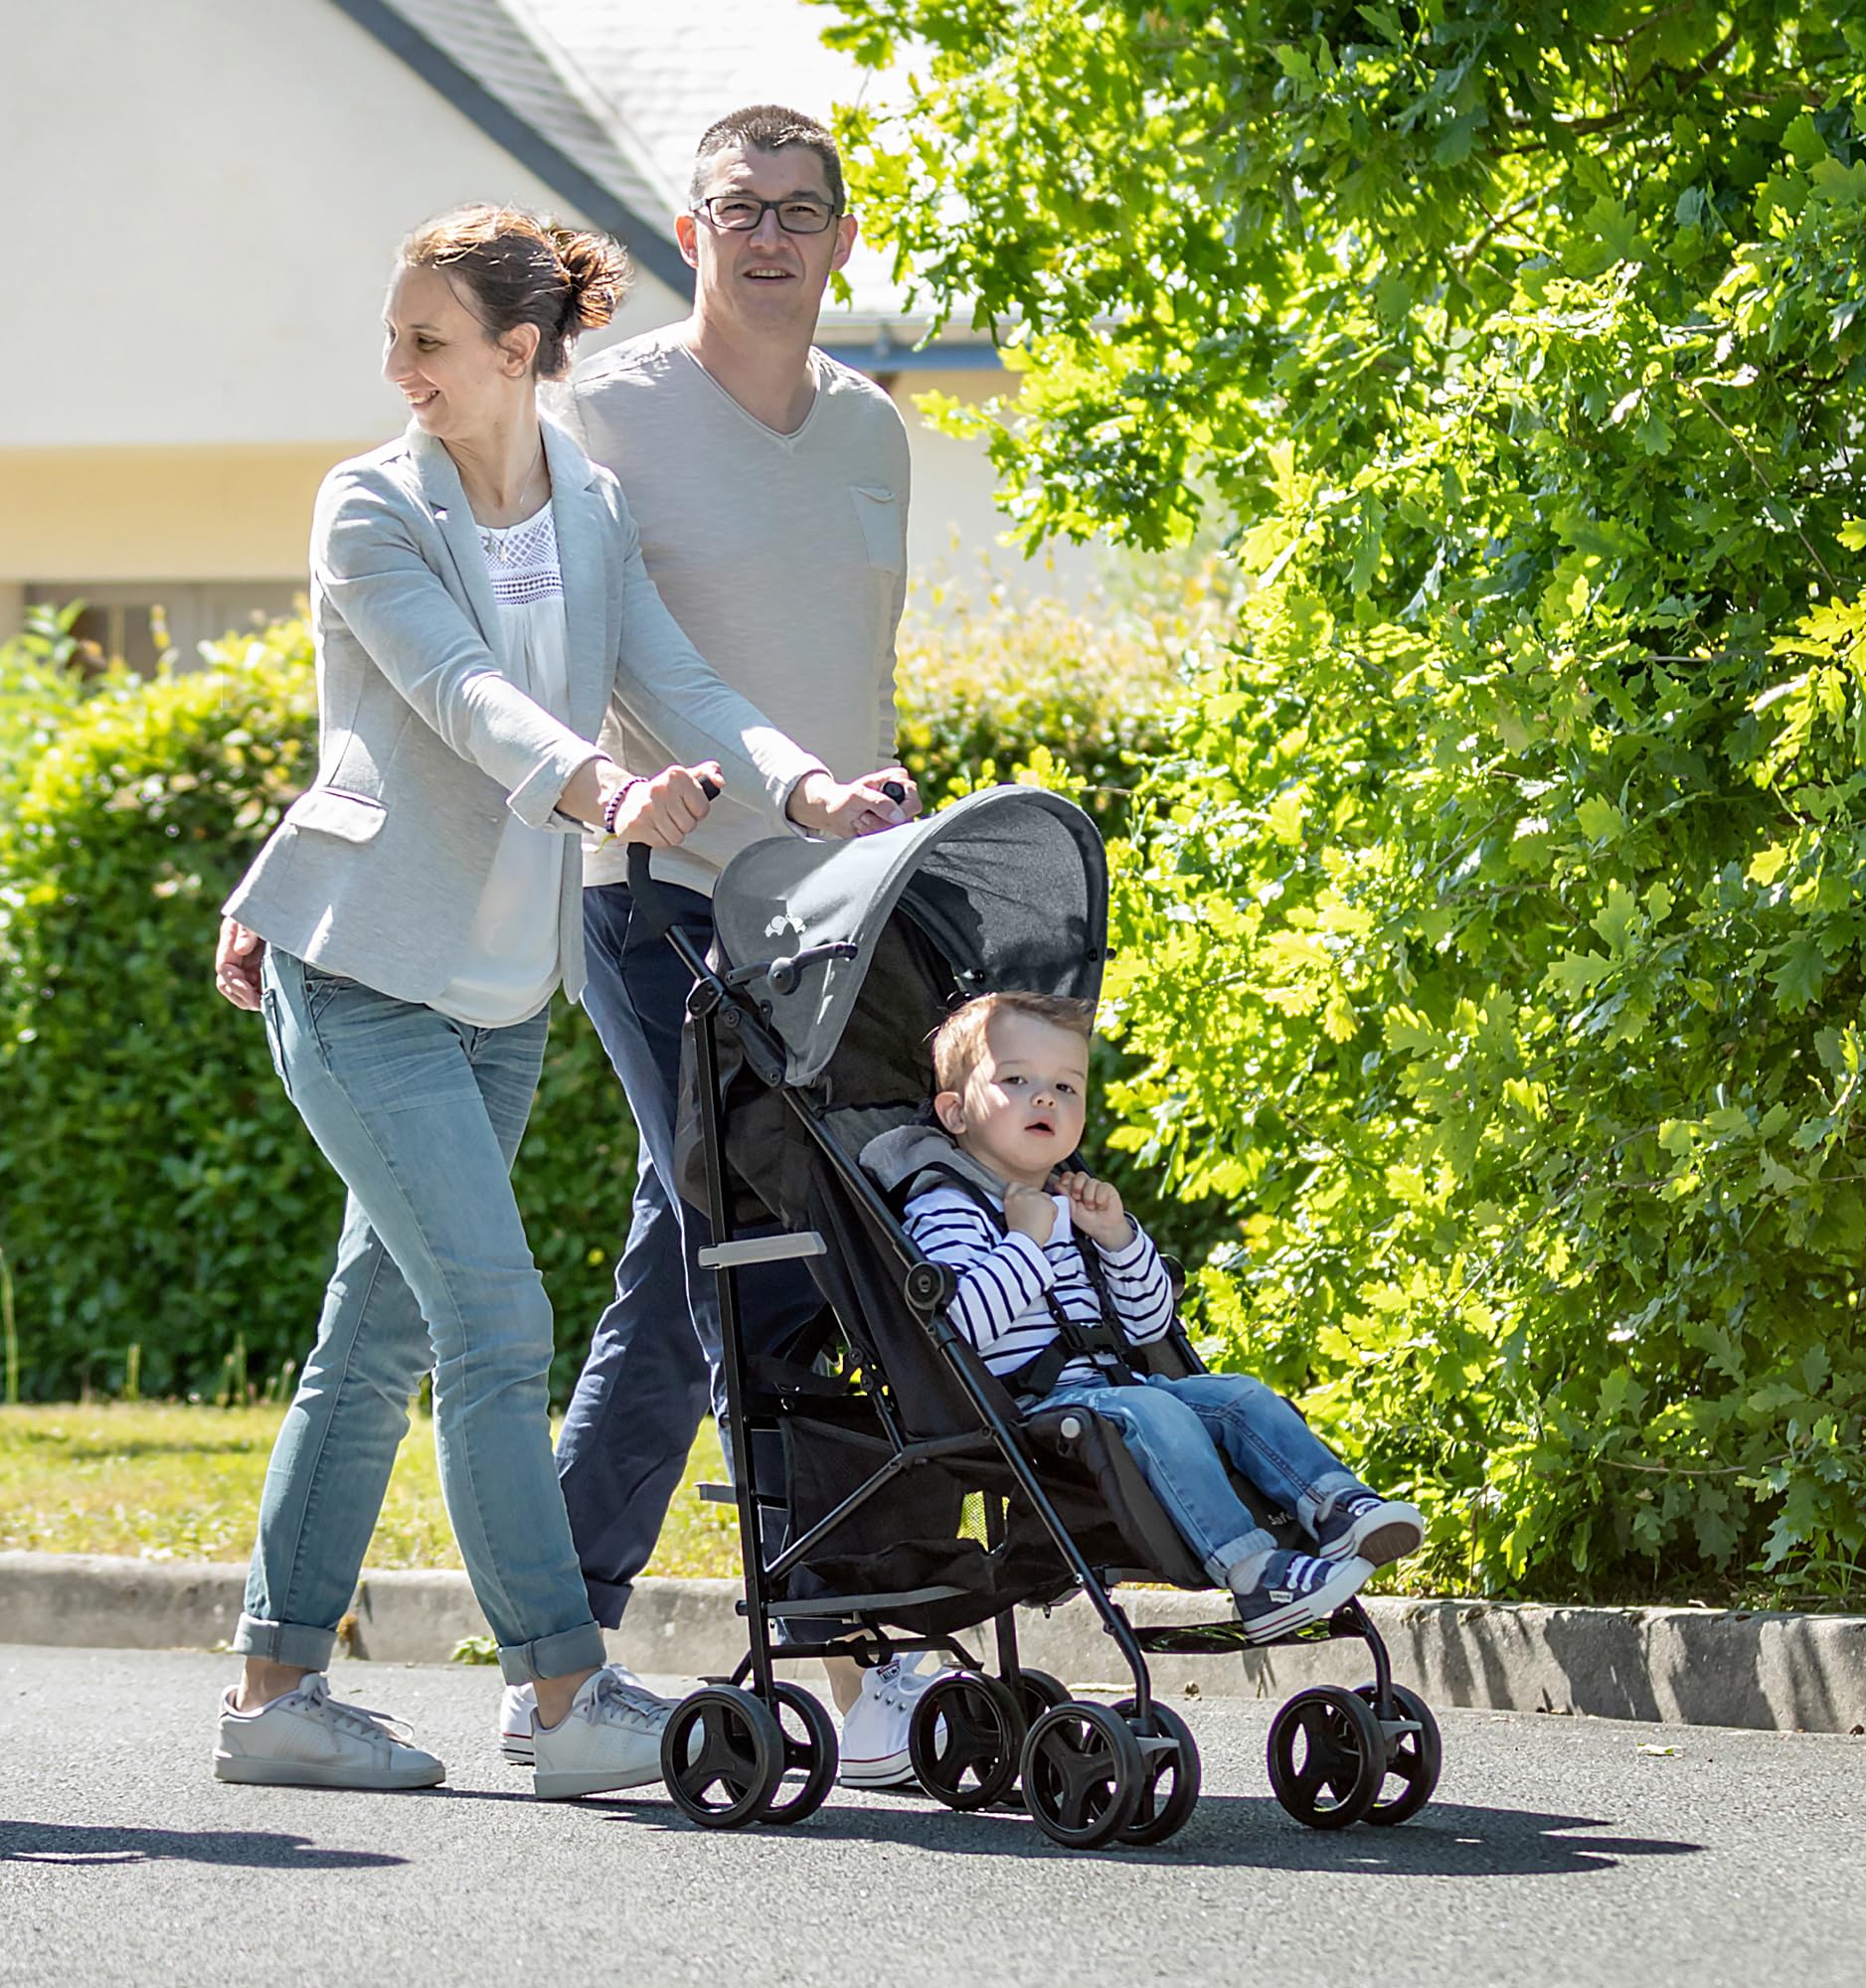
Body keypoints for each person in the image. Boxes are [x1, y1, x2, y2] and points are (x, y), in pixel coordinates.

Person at [209, 202, 898, 1800]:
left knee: (374, 1336)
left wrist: (803, 792)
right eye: (395, 338)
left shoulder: (585, 500)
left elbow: (681, 674)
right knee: (496, 1317)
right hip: (360, 964)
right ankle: (564, 1687)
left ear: (520, 354)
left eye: (427, 341)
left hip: (502, 986)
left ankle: (273, 1696)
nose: (397, 369)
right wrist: (603, 788)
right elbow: (463, 696)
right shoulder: (368, 506)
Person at [513, 103, 933, 1785]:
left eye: (800, 209)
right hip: (659, 900)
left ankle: (555, 1643)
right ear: (689, 236)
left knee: (683, 1266)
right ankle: (857, 1642)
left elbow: (854, 666)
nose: (769, 235)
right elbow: (568, 645)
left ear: (842, 236)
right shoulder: (597, 412)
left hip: (831, 912)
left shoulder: (877, 432)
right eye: (737, 208)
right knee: (759, 1251)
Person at [897, 992, 1427, 1643]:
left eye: (1066, 1085)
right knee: (1161, 1411)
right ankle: (1253, 1570)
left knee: (1237, 1396)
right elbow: (963, 1333)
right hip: (1031, 1412)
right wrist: (1026, 1243)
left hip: (1120, 1390)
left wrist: (1117, 1237)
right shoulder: (945, 1209)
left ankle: (1336, 1510)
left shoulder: (1069, 1203)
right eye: (1017, 1080)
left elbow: (1147, 1328)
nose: (1045, 1098)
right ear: (954, 1112)